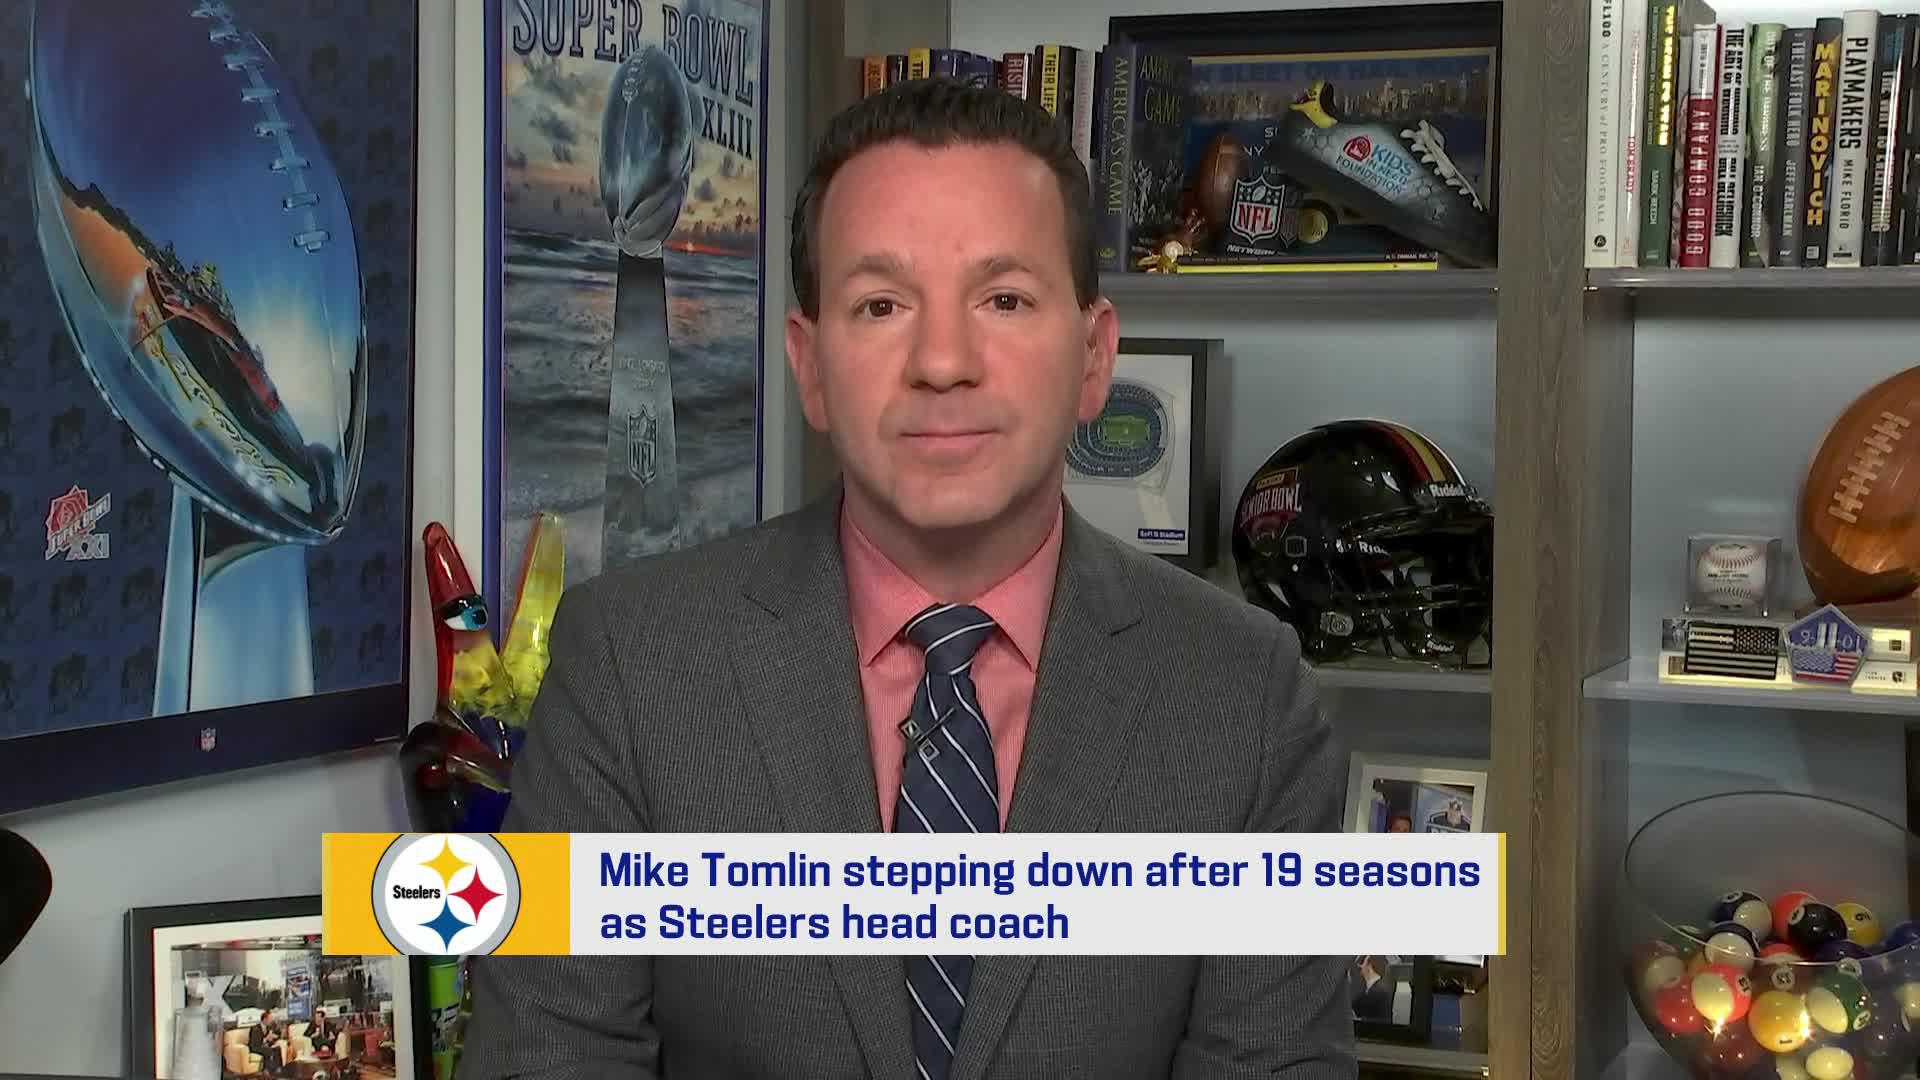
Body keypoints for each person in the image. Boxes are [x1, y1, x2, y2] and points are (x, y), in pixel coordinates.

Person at [458, 77, 1353, 1079]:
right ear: (810, 366)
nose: (942, 362)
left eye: (1004, 299)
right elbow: (547, 1054)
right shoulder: (630, 665)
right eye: (881, 304)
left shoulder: (1246, 699)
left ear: (1096, 357)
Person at [249, 1008, 284, 1075]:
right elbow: (257, 1042)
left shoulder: (268, 1027)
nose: (271, 1021)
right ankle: (266, 1070)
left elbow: (269, 1039)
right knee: (268, 1050)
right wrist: (266, 1038)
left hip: (264, 1046)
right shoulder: (256, 1028)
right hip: (255, 1047)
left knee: (277, 1048)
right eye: (270, 1019)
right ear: (265, 1019)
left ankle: (278, 1068)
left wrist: (273, 1038)